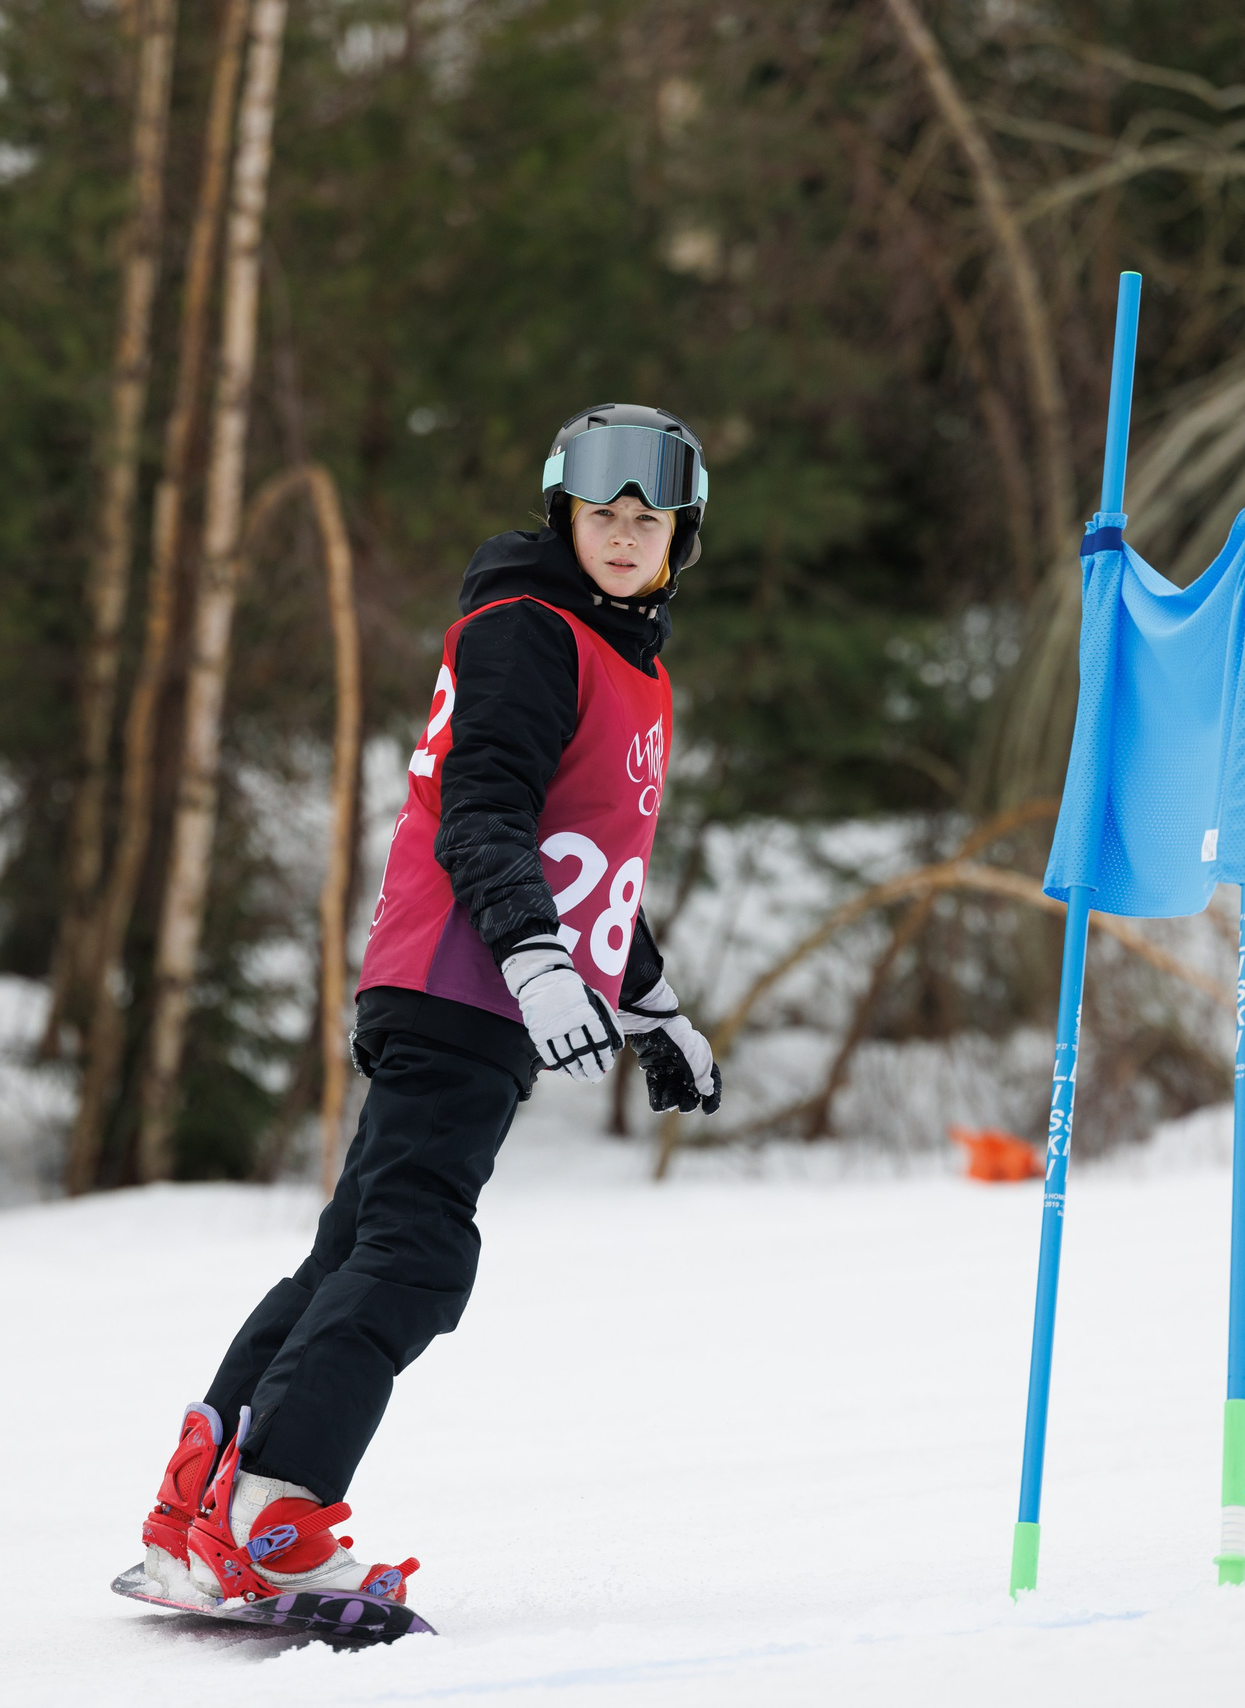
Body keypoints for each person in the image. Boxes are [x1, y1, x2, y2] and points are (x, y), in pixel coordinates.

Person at [135, 404, 728, 1608]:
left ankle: (199, 1502)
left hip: (470, 981)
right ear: (560, 517)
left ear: (680, 537)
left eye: (646, 518)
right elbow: (485, 816)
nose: (623, 535)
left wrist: (653, 1005)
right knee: (416, 1253)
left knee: (357, 1246)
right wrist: (534, 962)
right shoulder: (530, 628)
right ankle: (278, 1516)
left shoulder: (622, 660)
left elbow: (585, 862)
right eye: (601, 514)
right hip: (465, 980)